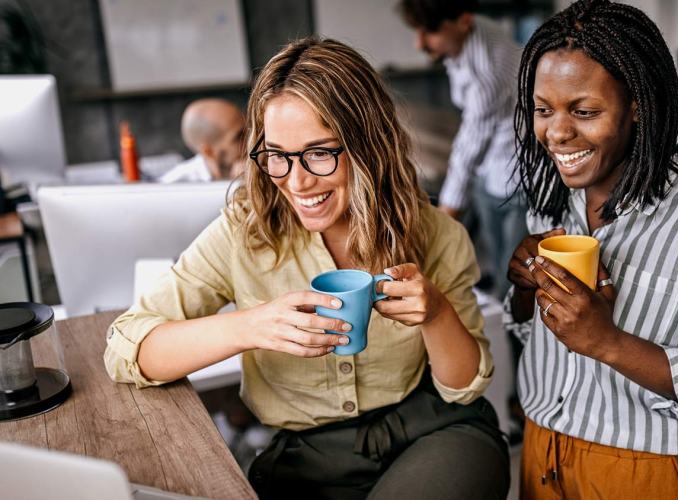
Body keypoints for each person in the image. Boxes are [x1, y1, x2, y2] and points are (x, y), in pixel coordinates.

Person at [104, 37, 509, 500]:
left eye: (320, 152)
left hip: (435, 431)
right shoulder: (244, 234)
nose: (296, 182)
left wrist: (436, 314)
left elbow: (463, 388)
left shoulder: (437, 235)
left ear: (368, 145)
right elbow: (125, 347)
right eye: (276, 154)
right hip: (305, 459)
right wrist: (251, 327)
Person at [503, 1, 678, 498]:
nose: (557, 133)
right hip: (543, 448)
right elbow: (528, 328)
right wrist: (521, 287)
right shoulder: (553, 196)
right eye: (543, 109)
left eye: (584, 111)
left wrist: (607, 341)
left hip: (646, 465)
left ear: (638, 105)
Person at [398, 0, 527, 300]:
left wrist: (444, 218)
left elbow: (469, 150)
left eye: (429, 32)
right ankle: (495, 293)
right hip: (489, 168)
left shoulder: (487, 72)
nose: (419, 44)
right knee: (496, 260)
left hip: (519, 178)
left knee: (516, 273)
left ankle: (513, 334)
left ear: (464, 20)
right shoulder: (473, 30)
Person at [160, 98, 246, 183]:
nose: (250, 140)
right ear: (209, 151)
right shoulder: (174, 187)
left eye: (249, 130)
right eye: (239, 137)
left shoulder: (253, 167)